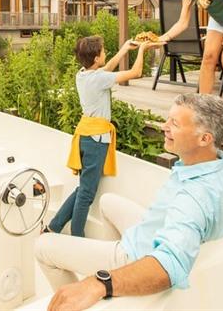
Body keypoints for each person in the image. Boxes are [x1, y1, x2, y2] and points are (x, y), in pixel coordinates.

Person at [36, 94, 223, 311]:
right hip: (156, 231)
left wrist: (100, 283)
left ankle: (86, 297)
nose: (163, 126)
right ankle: (117, 302)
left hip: (141, 253)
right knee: (107, 202)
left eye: (174, 123)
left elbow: (170, 265)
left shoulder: (193, 198)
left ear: (204, 139)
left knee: (43, 246)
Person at [46, 35, 163, 238]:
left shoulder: (82, 75)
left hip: (85, 135)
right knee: (87, 194)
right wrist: (143, 50)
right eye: (103, 51)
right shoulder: (98, 79)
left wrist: (125, 49)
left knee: (83, 188)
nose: (105, 53)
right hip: (95, 140)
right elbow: (135, 72)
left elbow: (105, 70)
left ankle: (54, 226)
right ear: (96, 58)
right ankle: (77, 236)